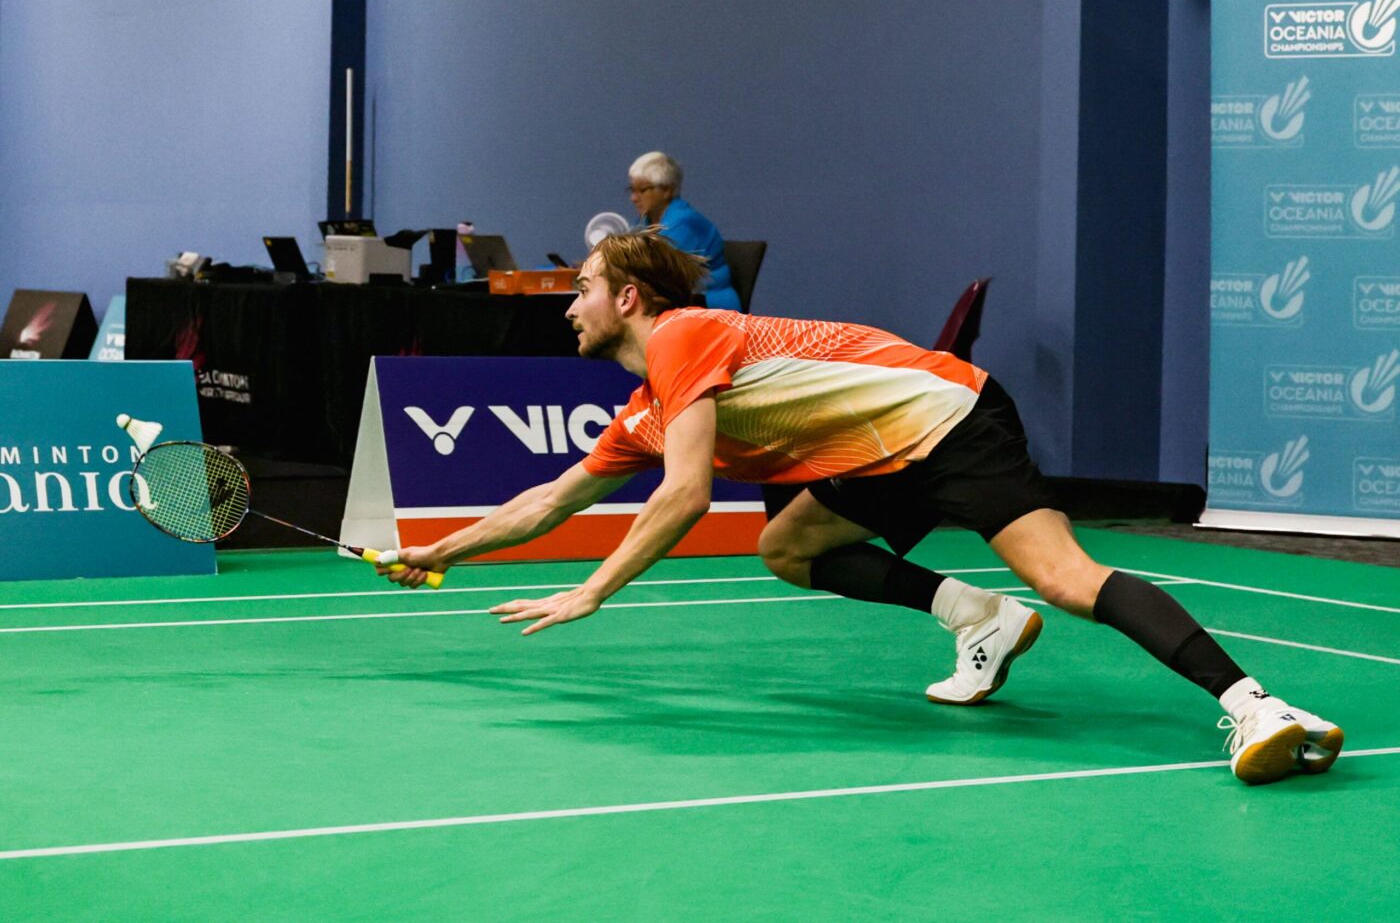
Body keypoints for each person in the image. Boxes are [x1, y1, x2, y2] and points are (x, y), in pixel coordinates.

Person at [381, 228, 1343, 786]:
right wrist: (437, 554)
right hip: (874, 457)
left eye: (582, 290)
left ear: (629, 299)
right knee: (790, 545)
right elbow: (551, 498)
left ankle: (1257, 707)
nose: (568, 306)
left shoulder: (682, 334)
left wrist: (593, 590)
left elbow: (685, 493)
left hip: (949, 417)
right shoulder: (645, 407)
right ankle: (981, 618)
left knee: (1066, 578)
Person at [627, 151, 743, 312]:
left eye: (642, 190)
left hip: (709, 306)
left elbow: (663, 278)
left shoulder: (684, 223)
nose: (633, 198)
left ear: (667, 190)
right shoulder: (644, 222)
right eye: (632, 190)